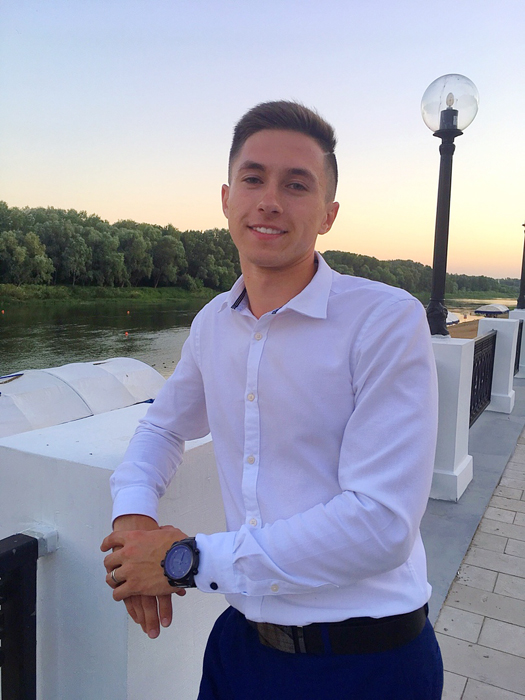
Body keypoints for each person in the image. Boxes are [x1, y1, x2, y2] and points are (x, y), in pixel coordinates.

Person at [101, 101, 443, 699]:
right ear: (226, 198)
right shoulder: (213, 323)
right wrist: (134, 517)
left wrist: (185, 560)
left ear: (329, 213)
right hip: (241, 648)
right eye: (253, 179)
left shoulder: (384, 321)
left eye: (296, 184)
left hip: (365, 661)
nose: (270, 201)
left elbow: (381, 523)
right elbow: (163, 428)